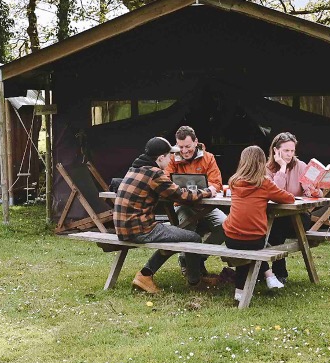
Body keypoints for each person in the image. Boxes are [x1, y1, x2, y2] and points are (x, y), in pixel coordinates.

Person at [114, 136, 220, 293]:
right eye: (170, 155)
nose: (171, 158)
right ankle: (195, 282)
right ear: (161, 157)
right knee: (193, 237)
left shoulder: (134, 169)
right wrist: (208, 191)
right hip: (140, 229)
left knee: (176, 234)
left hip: (124, 228)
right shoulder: (154, 173)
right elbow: (182, 196)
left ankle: (146, 274)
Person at [221, 145, 295, 302]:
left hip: (230, 238)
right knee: (253, 244)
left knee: (244, 248)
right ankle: (267, 277)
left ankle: (241, 292)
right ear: (262, 163)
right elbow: (288, 198)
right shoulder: (264, 184)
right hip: (255, 239)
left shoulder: (234, 182)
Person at [163, 126, 228, 279]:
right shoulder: (172, 158)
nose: (184, 151)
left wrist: (209, 189)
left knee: (226, 225)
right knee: (188, 229)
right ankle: (192, 270)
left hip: (207, 206)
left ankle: (196, 258)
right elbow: (165, 181)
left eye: (188, 146)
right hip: (183, 205)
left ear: (196, 142)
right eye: (181, 147)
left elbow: (216, 183)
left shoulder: (208, 157)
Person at [265, 132, 323, 284]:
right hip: (275, 216)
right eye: (286, 151)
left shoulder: (301, 166)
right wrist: (282, 168)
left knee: (276, 230)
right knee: (274, 228)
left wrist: (315, 191)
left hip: (298, 218)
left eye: (292, 151)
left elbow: (312, 191)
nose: (290, 154)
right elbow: (275, 192)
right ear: (275, 150)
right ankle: (275, 273)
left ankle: (277, 273)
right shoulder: (267, 169)